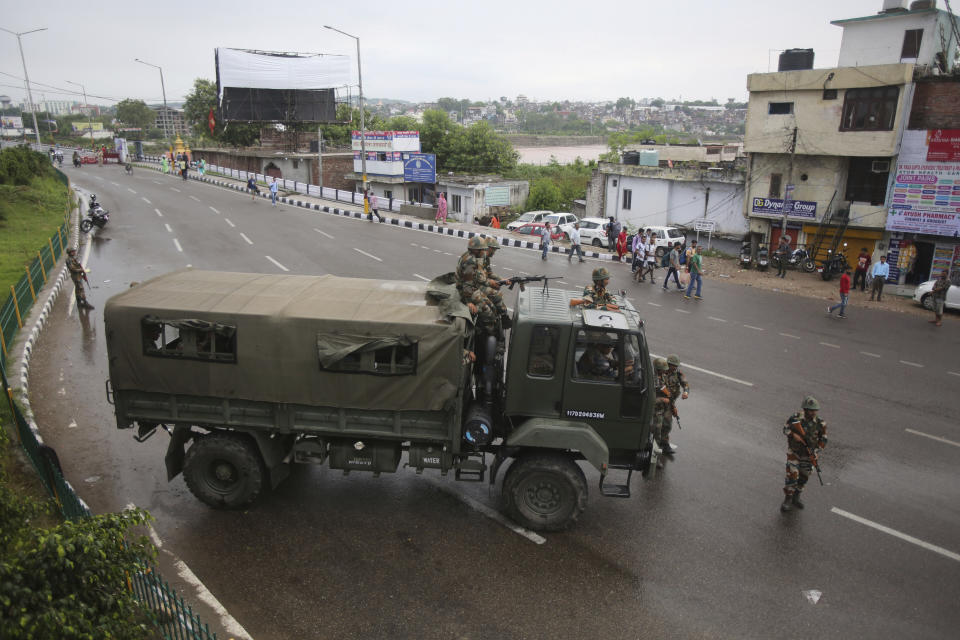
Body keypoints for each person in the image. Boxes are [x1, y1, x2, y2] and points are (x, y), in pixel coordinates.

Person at [781, 396, 827, 513]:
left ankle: (797, 496)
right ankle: (788, 498)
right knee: (792, 475)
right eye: (811, 410)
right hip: (795, 452)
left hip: (808, 454)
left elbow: (823, 439)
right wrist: (793, 435)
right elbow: (785, 429)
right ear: (805, 410)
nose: (813, 412)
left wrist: (816, 452)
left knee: (804, 476)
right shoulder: (796, 418)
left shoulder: (820, 423)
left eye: (815, 410)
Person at [455, 236, 497, 333]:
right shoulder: (470, 261)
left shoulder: (469, 256)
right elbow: (467, 285)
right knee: (488, 312)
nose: (484, 252)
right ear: (476, 250)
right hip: (465, 292)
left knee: (491, 305)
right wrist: (468, 302)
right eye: (482, 250)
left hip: (472, 289)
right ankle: (484, 333)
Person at [661, 354, 690, 455]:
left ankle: (664, 444)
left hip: (669, 403)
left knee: (667, 424)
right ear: (669, 364)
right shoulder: (661, 371)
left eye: (676, 366)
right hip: (658, 401)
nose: (675, 367)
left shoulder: (678, 374)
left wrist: (685, 392)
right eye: (674, 365)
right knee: (655, 424)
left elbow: (685, 384)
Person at [651, 358, 672, 468]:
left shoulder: (662, 376)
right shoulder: (651, 378)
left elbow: (666, 389)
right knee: (656, 436)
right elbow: (650, 399)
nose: (664, 373)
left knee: (664, 430)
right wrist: (662, 400)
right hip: (655, 411)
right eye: (661, 370)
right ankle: (654, 459)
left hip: (663, 409)